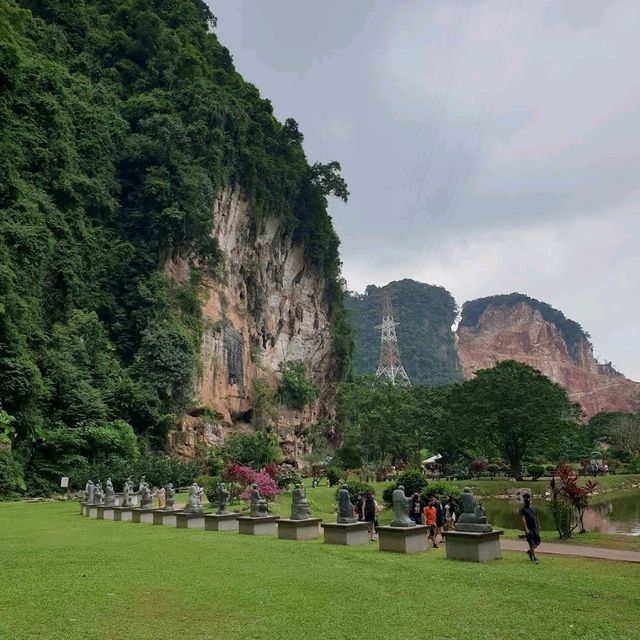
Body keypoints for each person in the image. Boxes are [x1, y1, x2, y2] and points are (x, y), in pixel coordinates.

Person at [520, 493, 541, 564]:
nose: (527, 499)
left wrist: (538, 526)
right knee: (531, 543)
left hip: (534, 527)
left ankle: (530, 551)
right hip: (528, 528)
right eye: (525, 498)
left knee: (537, 542)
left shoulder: (533, 508)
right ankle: (534, 558)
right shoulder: (523, 509)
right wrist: (526, 529)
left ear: (530, 499)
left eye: (528, 498)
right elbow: (523, 519)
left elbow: (536, 518)